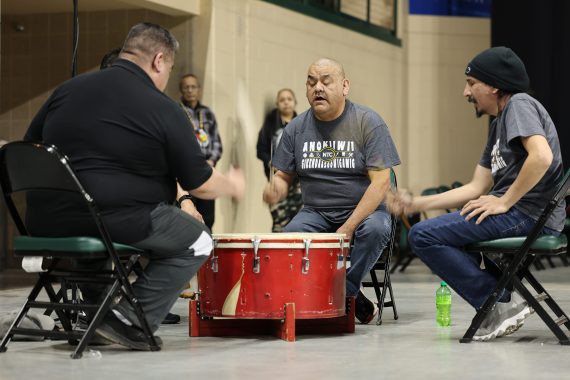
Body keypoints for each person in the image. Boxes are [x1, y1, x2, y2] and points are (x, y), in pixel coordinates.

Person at [24, 22, 244, 350]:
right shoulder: (163, 107)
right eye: (168, 68)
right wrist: (232, 184)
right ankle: (127, 318)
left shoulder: (67, 90)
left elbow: (30, 149)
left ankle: (97, 314)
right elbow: (200, 183)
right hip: (113, 218)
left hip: (45, 220)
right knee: (199, 239)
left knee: (98, 223)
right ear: (158, 60)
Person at [390, 46, 565, 341]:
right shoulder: (498, 123)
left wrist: (504, 201)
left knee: (423, 236)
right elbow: (475, 187)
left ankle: (494, 301)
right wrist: (415, 203)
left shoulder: (519, 105)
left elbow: (542, 157)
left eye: (471, 83)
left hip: (528, 215)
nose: (465, 92)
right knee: (437, 233)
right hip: (521, 214)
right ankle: (500, 293)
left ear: (494, 85)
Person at [263, 58, 401, 324]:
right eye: (311, 81)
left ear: (345, 86)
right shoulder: (295, 129)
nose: (318, 88)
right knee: (288, 238)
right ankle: (349, 296)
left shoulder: (367, 122)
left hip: (363, 211)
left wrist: (348, 227)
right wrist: (275, 189)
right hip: (316, 212)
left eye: (326, 81)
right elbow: (283, 175)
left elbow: (381, 183)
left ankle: (341, 292)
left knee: (375, 230)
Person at [178, 74, 222, 231]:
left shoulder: (208, 113)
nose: (190, 90)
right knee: (188, 217)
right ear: (181, 91)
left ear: (199, 90)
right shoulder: (177, 111)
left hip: (207, 170)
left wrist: (211, 161)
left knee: (208, 217)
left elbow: (217, 142)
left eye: (193, 87)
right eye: (186, 87)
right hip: (186, 171)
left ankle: (208, 251)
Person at [256, 89, 303, 232]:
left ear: (295, 102)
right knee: (279, 222)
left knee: (299, 222)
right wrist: (269, 160)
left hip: (298, 183)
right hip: (276, 180)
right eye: (282, 100)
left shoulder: (302, 124)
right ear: (277, 104)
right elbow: (260, 150)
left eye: (289, 99)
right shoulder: (270, 126)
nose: (286, 102)